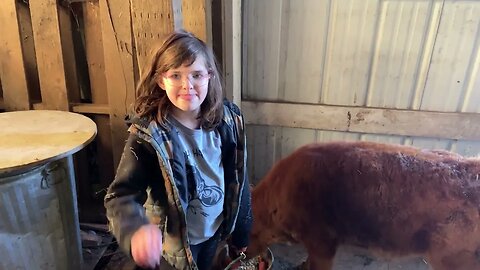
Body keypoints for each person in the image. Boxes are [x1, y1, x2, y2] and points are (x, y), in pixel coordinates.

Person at [104, 30, 252, 270]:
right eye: (176, 75)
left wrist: (242, 234)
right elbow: (120, 196)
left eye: (196, 75)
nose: (188, 85)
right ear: (162, 80)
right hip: (172, 246)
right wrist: (135, 231)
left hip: (214, 232)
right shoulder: (149, 135)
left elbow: (239, 179)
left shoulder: (229, 121)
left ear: (209, 76)